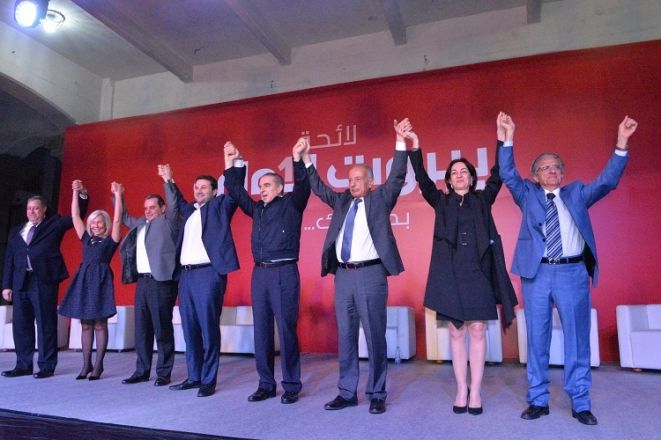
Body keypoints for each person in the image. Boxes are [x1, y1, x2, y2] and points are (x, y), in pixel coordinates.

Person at [498, 113, 638, 426]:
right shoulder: (527, 194)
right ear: (536, 177)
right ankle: (538, 399)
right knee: (537, 338)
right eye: (545, 167)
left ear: (563, 174)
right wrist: (508, 136)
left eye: (556, 167)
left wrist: (621, 143)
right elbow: (507, 173)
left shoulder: (577, 194)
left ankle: (580, 401)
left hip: (572, 273)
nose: (552, 170)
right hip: (536, 274)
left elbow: (608, 181)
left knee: (577, 338)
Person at [407, 113, 518, 415]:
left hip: (479, 275)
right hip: (451, 276)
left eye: (464, 171)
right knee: (457, 332)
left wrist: (503, 138)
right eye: (454, 172)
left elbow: (498, 174)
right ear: (448, 179)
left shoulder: (483, 199)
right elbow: (423, 181)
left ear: (471, 177)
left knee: (478, 330)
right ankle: (461, 389)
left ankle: (476, 391)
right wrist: (415, 148)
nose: (459, 175)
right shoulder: (441, 202)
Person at [301, 119, 411, 415]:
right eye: (350, 179)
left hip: (371, 274)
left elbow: (397, 176)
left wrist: (400, 142)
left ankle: (377, 393)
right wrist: (306, 158)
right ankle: (347, 392)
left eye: (358, 179)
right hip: (344, 276)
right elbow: (319, 188)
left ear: (370, 182)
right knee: (346, 336)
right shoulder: (341, 202)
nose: (352, 183)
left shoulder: (381, 198)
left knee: (374, 335)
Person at [223, 138, 311, 405]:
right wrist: (232, 161)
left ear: (280, 188)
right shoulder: (257, 209)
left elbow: (304, 184)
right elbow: (235, 190)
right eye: (260, 186)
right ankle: (266, 384)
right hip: (260, 274)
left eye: (268, 185)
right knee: (261, 331)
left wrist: (297, 158)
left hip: (284, 272)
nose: (262, 190)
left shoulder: (292, 204)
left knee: (286, 330)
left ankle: (291, 385)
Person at [168, 160, 244, 398]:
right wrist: (169, 179)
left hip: (208, 274)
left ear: (214, 191)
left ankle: (208, 380)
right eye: (196, 187)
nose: (199, 191)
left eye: (204, 187)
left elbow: (234, 190)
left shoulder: (221, 206)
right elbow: (178, 199)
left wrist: (231, 163)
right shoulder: (190, 211)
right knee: (189, 328)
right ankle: (194, 376)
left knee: (208, 328)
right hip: (186, 276)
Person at [2, 182, 89, 379]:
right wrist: (6, 285)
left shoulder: (54, 224)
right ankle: (23, 365)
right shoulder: (16, 231)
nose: (32, 212)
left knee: (45, 323)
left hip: (43, 280)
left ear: (43, 210)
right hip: (20, 281)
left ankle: (46, 366)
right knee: (21, 325)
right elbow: (9, 259)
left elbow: (77, 215)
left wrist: (82, 195)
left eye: (36, 208)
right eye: (29, 208)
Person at [119, 165, 180, 387]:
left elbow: (174, 204)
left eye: (153, 207)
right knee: (142, 329)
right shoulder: (140, 224)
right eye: (146, 208)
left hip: (162, 282)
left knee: (162, 328)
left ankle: (164, 372)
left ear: (162, 208)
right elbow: (124, 217)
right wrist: (119, 195)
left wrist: (167, 180)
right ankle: (142, 370)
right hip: (143, 282)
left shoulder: (169, 221)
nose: (148, 211)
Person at [59, 181, 123, 380]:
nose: (95, 225)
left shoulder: (111, 240)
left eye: (99, 222)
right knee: (85, 324)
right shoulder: (86, 239)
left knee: (100, 324)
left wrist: (118, 195)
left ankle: (99, 365)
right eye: (93, 222)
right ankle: (86, 364)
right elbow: (75, 216)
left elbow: (118, 220)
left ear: (105, 224)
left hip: (101, 280)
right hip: (84, 280)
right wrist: (75, 192)